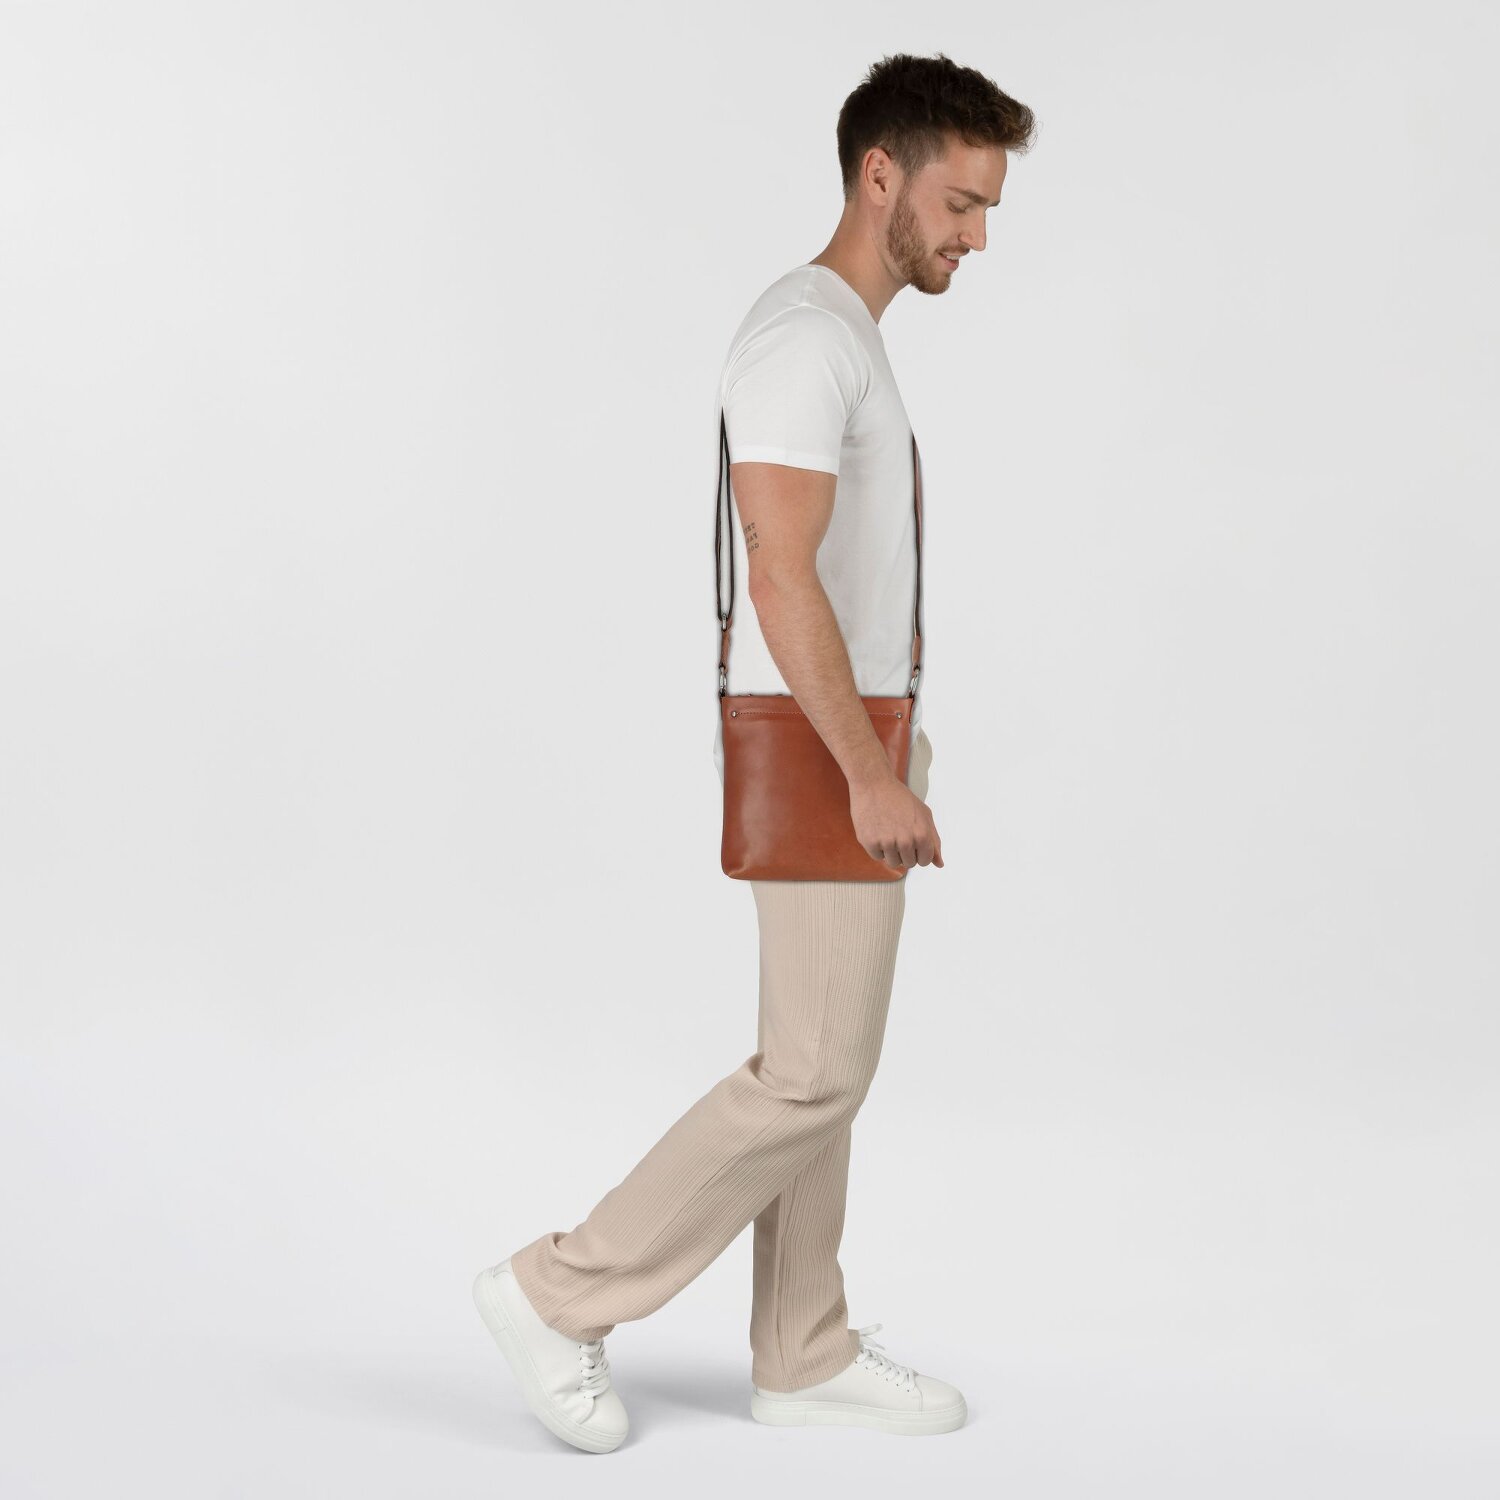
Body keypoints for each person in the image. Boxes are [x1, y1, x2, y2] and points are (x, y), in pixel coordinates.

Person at [473, 51, 1035, 1453]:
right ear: (880, 174)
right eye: (962, 203)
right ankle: (559, 1291)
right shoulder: (804, 337)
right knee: (810, 1075)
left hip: (861, 735)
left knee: (818, 1061)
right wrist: (868, 774)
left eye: (989, 210)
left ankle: (801, 1346)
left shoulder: (843, 333)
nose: (977, 237)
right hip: (834, 748)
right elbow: (779, 572)